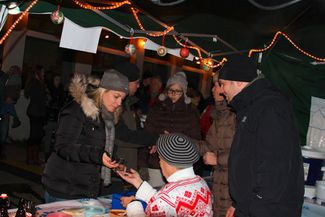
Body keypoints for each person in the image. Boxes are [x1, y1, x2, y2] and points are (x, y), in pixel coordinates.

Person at [217, 55, 304, 217]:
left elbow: (274, 168)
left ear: (239, 82)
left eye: (223, 84)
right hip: (250, 206)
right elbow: (249, 159)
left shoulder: (270, 107)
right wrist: (238, 204)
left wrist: (254, 208)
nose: (221, 90)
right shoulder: (251, 106)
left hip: (266, 210)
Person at [42, 69, 129, 202]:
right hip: (64, 187)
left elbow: (97, 146)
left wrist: (113, 162)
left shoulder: (106, 116)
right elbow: (63, 146)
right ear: (102, 91)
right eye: (116, 96)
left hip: (86, 188)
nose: (119, 103)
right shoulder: (77, 109)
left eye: (122, 99)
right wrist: (98, 155)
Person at [117, 133, 213, 217]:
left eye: (161, 159)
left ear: (169, 163)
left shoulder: (166, 199)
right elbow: (166, 200)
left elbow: (164, 201)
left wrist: (133, 204)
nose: (160, 163)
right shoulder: (201, 183)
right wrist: (138, 182)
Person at [144, 71, 201, 187]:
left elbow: (196, 140)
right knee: (155, 196)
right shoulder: (157, 108)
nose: (173, 94)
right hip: (157, 163)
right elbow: (147, 133)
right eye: (171, 90)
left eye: (178, 91)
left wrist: (174, 139)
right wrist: (157, 140)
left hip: (180, 166)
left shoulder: (190, 112)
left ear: (184, 92)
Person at [196, 72, 236, 217]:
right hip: (219, 186)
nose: (213, 90)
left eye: (217, 85)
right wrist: (180, 142)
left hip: (233, 191)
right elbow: (209, 147)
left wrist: (217, 159)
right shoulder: (219, 114)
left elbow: (246, 155)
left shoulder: (236, 115)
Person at [113, 62, 159, 171]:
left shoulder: (129, 104)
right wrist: (155, 139)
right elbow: (122, 136)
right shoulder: (115, 105)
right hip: (116, 167)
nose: (139, 86)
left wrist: (150, 140)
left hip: (126, 165)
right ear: (126, 83)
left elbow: (136, 131)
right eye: (136, 83)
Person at [24, 65, 47, 165]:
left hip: (36, 112)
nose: (44, 74)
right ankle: (31, 158)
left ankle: (33, 158)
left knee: (36, 135)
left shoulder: (38, 83)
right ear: (38, 73)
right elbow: (38, 98)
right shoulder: (36, 84)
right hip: (35, 112)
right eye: (43, 72)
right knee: (35, 136)